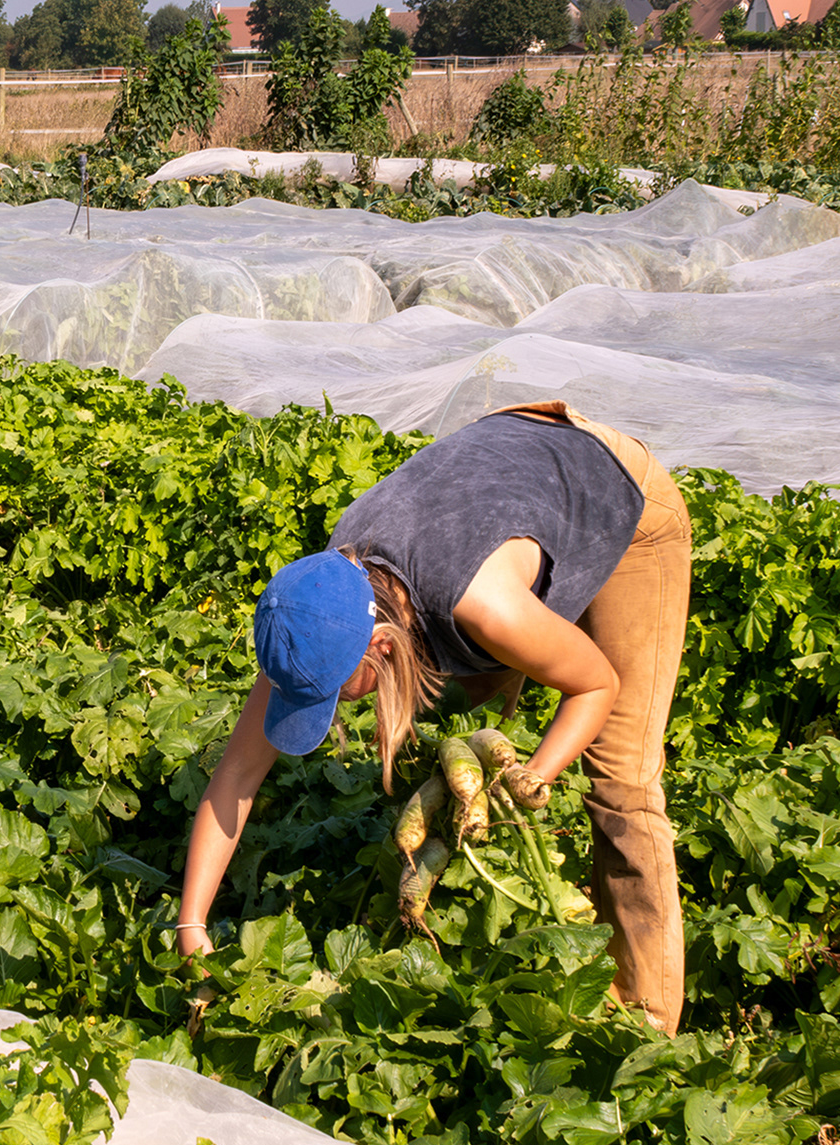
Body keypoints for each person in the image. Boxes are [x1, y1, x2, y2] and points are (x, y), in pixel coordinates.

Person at [172, 401, 691, 1030]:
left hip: (618, 494)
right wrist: (191, 925)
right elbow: (235, 778)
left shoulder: (485, 606)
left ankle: (650, 1027)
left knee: (621, 774)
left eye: (335, 692)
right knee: (458, 701)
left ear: (382, 645)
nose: (332, 704)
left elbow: (595, 686)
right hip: (509, 478)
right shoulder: (319, 609)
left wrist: (532, 778)